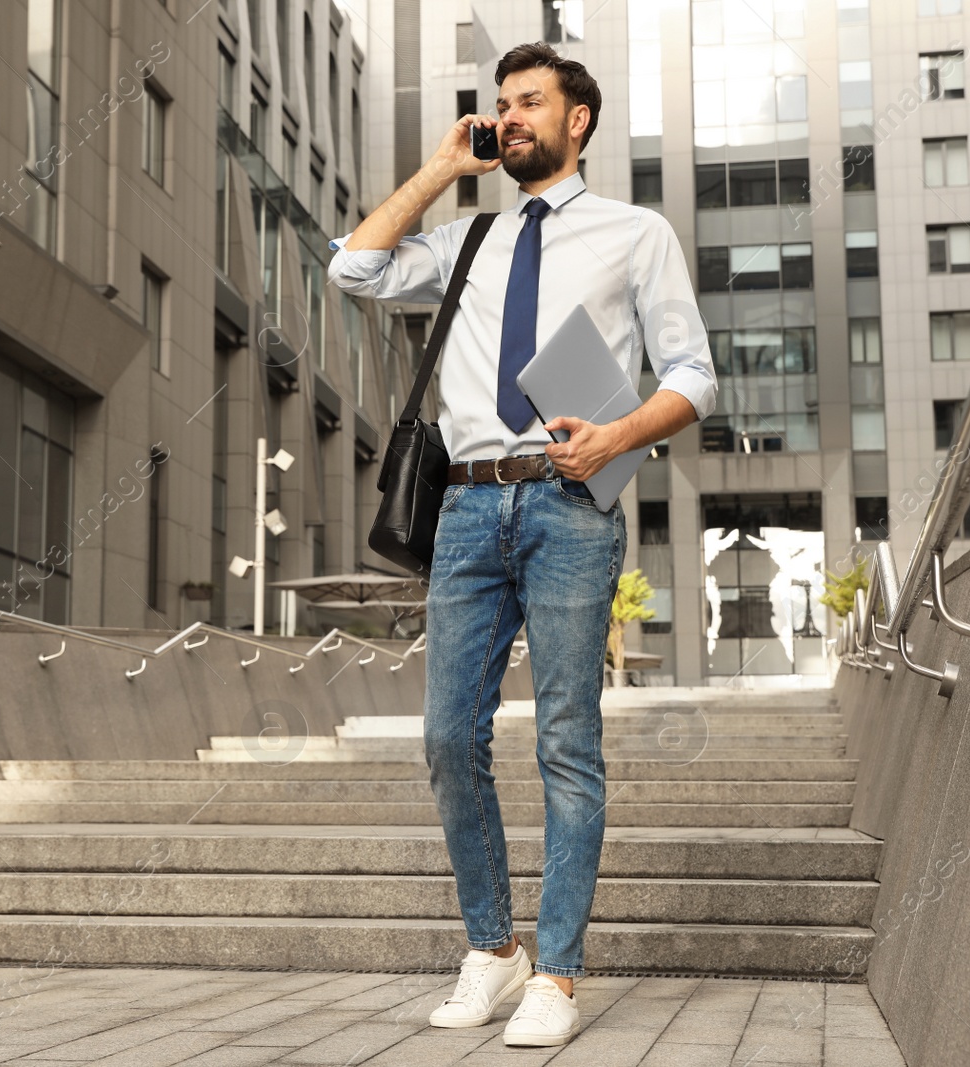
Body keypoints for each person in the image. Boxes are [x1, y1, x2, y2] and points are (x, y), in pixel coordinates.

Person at [327, 41, 716, 1047]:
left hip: (569, 501)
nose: (509, 119)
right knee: (448, 738)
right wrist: (443, 169)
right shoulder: (466, 240)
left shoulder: (636, 234)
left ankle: (557, 970)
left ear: (575, 120)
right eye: (500, 105)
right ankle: (492, 946)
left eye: (528, 103)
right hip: (464, 508)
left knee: (564, 741)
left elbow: (692, 372)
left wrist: (618, 434)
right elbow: (353, 265)